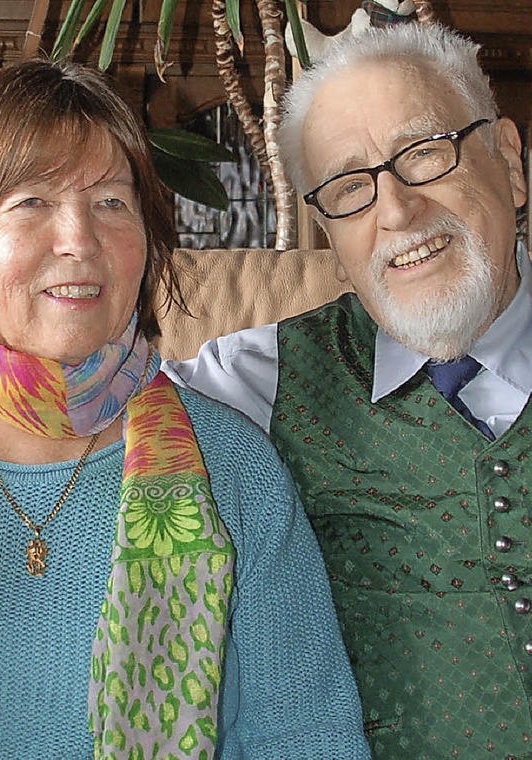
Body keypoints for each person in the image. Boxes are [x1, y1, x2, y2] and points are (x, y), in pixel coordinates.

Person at [0, 60, 370, 759]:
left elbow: (306, 738)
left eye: (112, 202)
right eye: (30, 201)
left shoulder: (230, 465)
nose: (80, 241)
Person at [163, 21, 531, 759]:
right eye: (350, 188)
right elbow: (68, 415)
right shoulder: (250, 383)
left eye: (426, 153)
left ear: (512, 164)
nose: (396, 212)